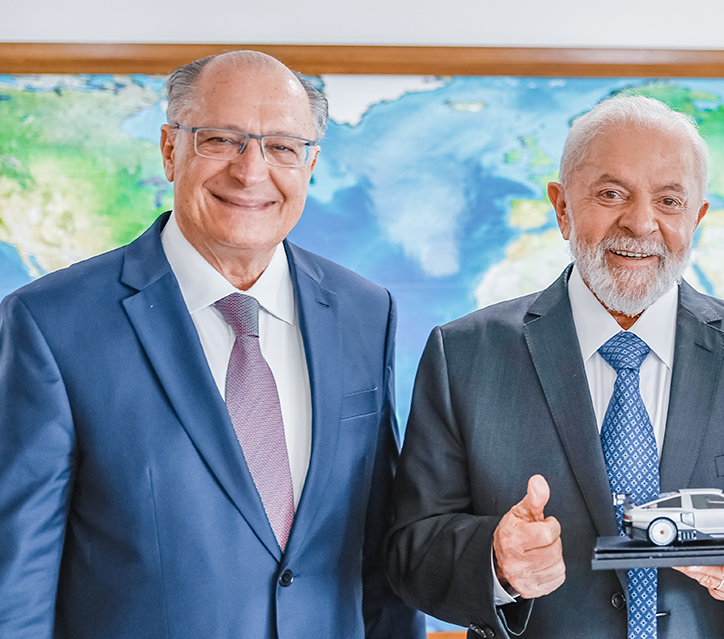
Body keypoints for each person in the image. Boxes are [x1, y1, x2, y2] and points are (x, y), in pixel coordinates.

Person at [0, 50, 424, 639]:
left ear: (311, 164)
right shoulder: (50, 325)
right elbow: (14, 589)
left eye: (281, 147)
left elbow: (379, 557)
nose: (251, 172)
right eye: (222, 139)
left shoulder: (363, 311)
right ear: (171, 149)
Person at [385, 95, 724, 639]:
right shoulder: (462, 354)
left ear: (696, 219)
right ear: (561, 208)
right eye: (610, 194)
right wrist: (497, 562)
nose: (641, 222)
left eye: (669, 201)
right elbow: (411, 551)